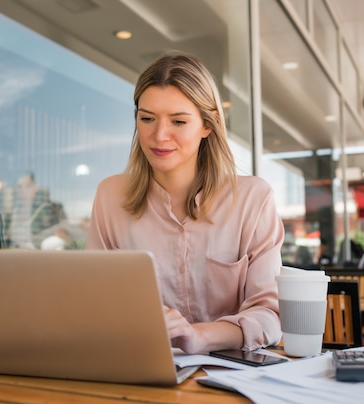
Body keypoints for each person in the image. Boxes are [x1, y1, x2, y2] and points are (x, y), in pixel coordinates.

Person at [85, 52, 284, 354]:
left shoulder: (253, 200)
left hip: (230, 374)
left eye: (178, 121)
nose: (159, 135)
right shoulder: (110, 196)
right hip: (138, 366)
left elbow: (270, 314)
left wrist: (199, 335)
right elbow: (94, 303)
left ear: (208, 124)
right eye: (147, 118)